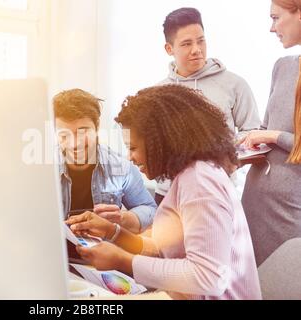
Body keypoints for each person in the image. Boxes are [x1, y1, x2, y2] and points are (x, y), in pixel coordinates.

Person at [66, 85, 262, 300]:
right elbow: (165, 251)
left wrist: (125, 261)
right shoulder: (190, 176)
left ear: (159, 143)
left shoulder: (200, 182)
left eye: (133, 148)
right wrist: (113, 232)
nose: (130, 157)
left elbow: (209, 277)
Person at [154, 7, 261, 205]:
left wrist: (228, 162)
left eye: (201, 40)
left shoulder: (234, 84)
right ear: (169, 49)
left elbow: (253, 135)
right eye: (186, 44)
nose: (197, 49)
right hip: (168, 195)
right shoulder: (158, 93)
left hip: (217, 191)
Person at [239, 0, 301, 266]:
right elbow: (265, 127)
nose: (271, 27)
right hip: (254, 199)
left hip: (289, 211)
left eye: (276, 18)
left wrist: (272, 137)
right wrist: (244, 147)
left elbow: (272, 134)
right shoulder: (283, 66)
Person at [53, 89, 156, 234]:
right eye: (64, 135)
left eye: (83, 132)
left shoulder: (122, 167)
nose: (74, 144)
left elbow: (149, 209)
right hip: (55, 253)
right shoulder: (41, 170)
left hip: (104, 252)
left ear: (97, 127)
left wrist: (124, 219)